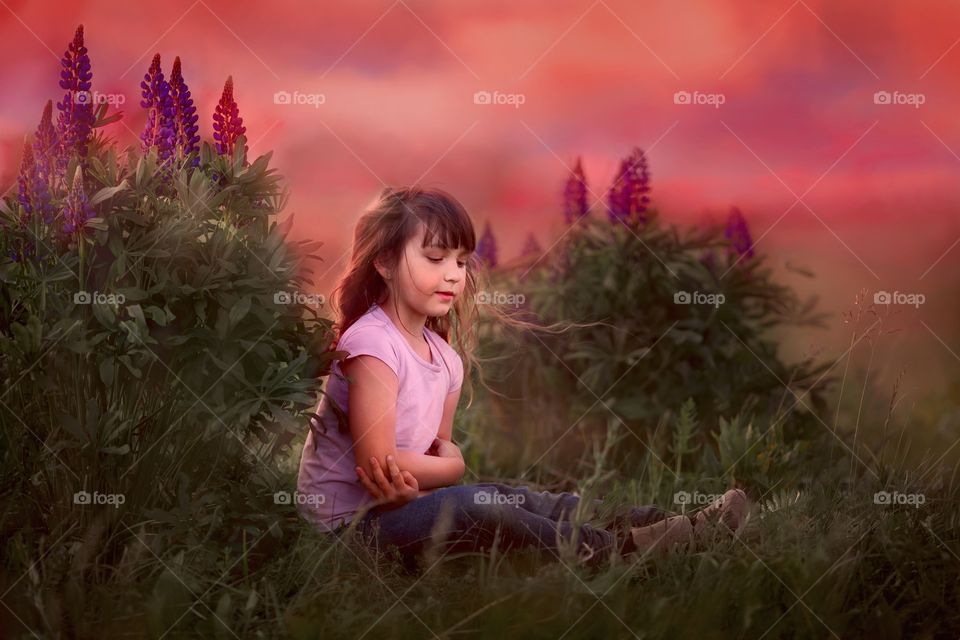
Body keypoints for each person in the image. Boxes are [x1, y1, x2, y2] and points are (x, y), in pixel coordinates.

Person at [295, 185, 751, 572]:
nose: (453, 275)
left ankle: (673, 523)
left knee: (512, 497)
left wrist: (427, 479)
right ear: (384, 264)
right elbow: (381, 462)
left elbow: (422, 465)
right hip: (348, 532)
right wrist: (451, 469)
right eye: (435, 258)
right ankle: (624, 553)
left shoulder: (445, 359)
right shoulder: (372, 344)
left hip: (401, 508)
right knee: (476, 504)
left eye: (461, 261)